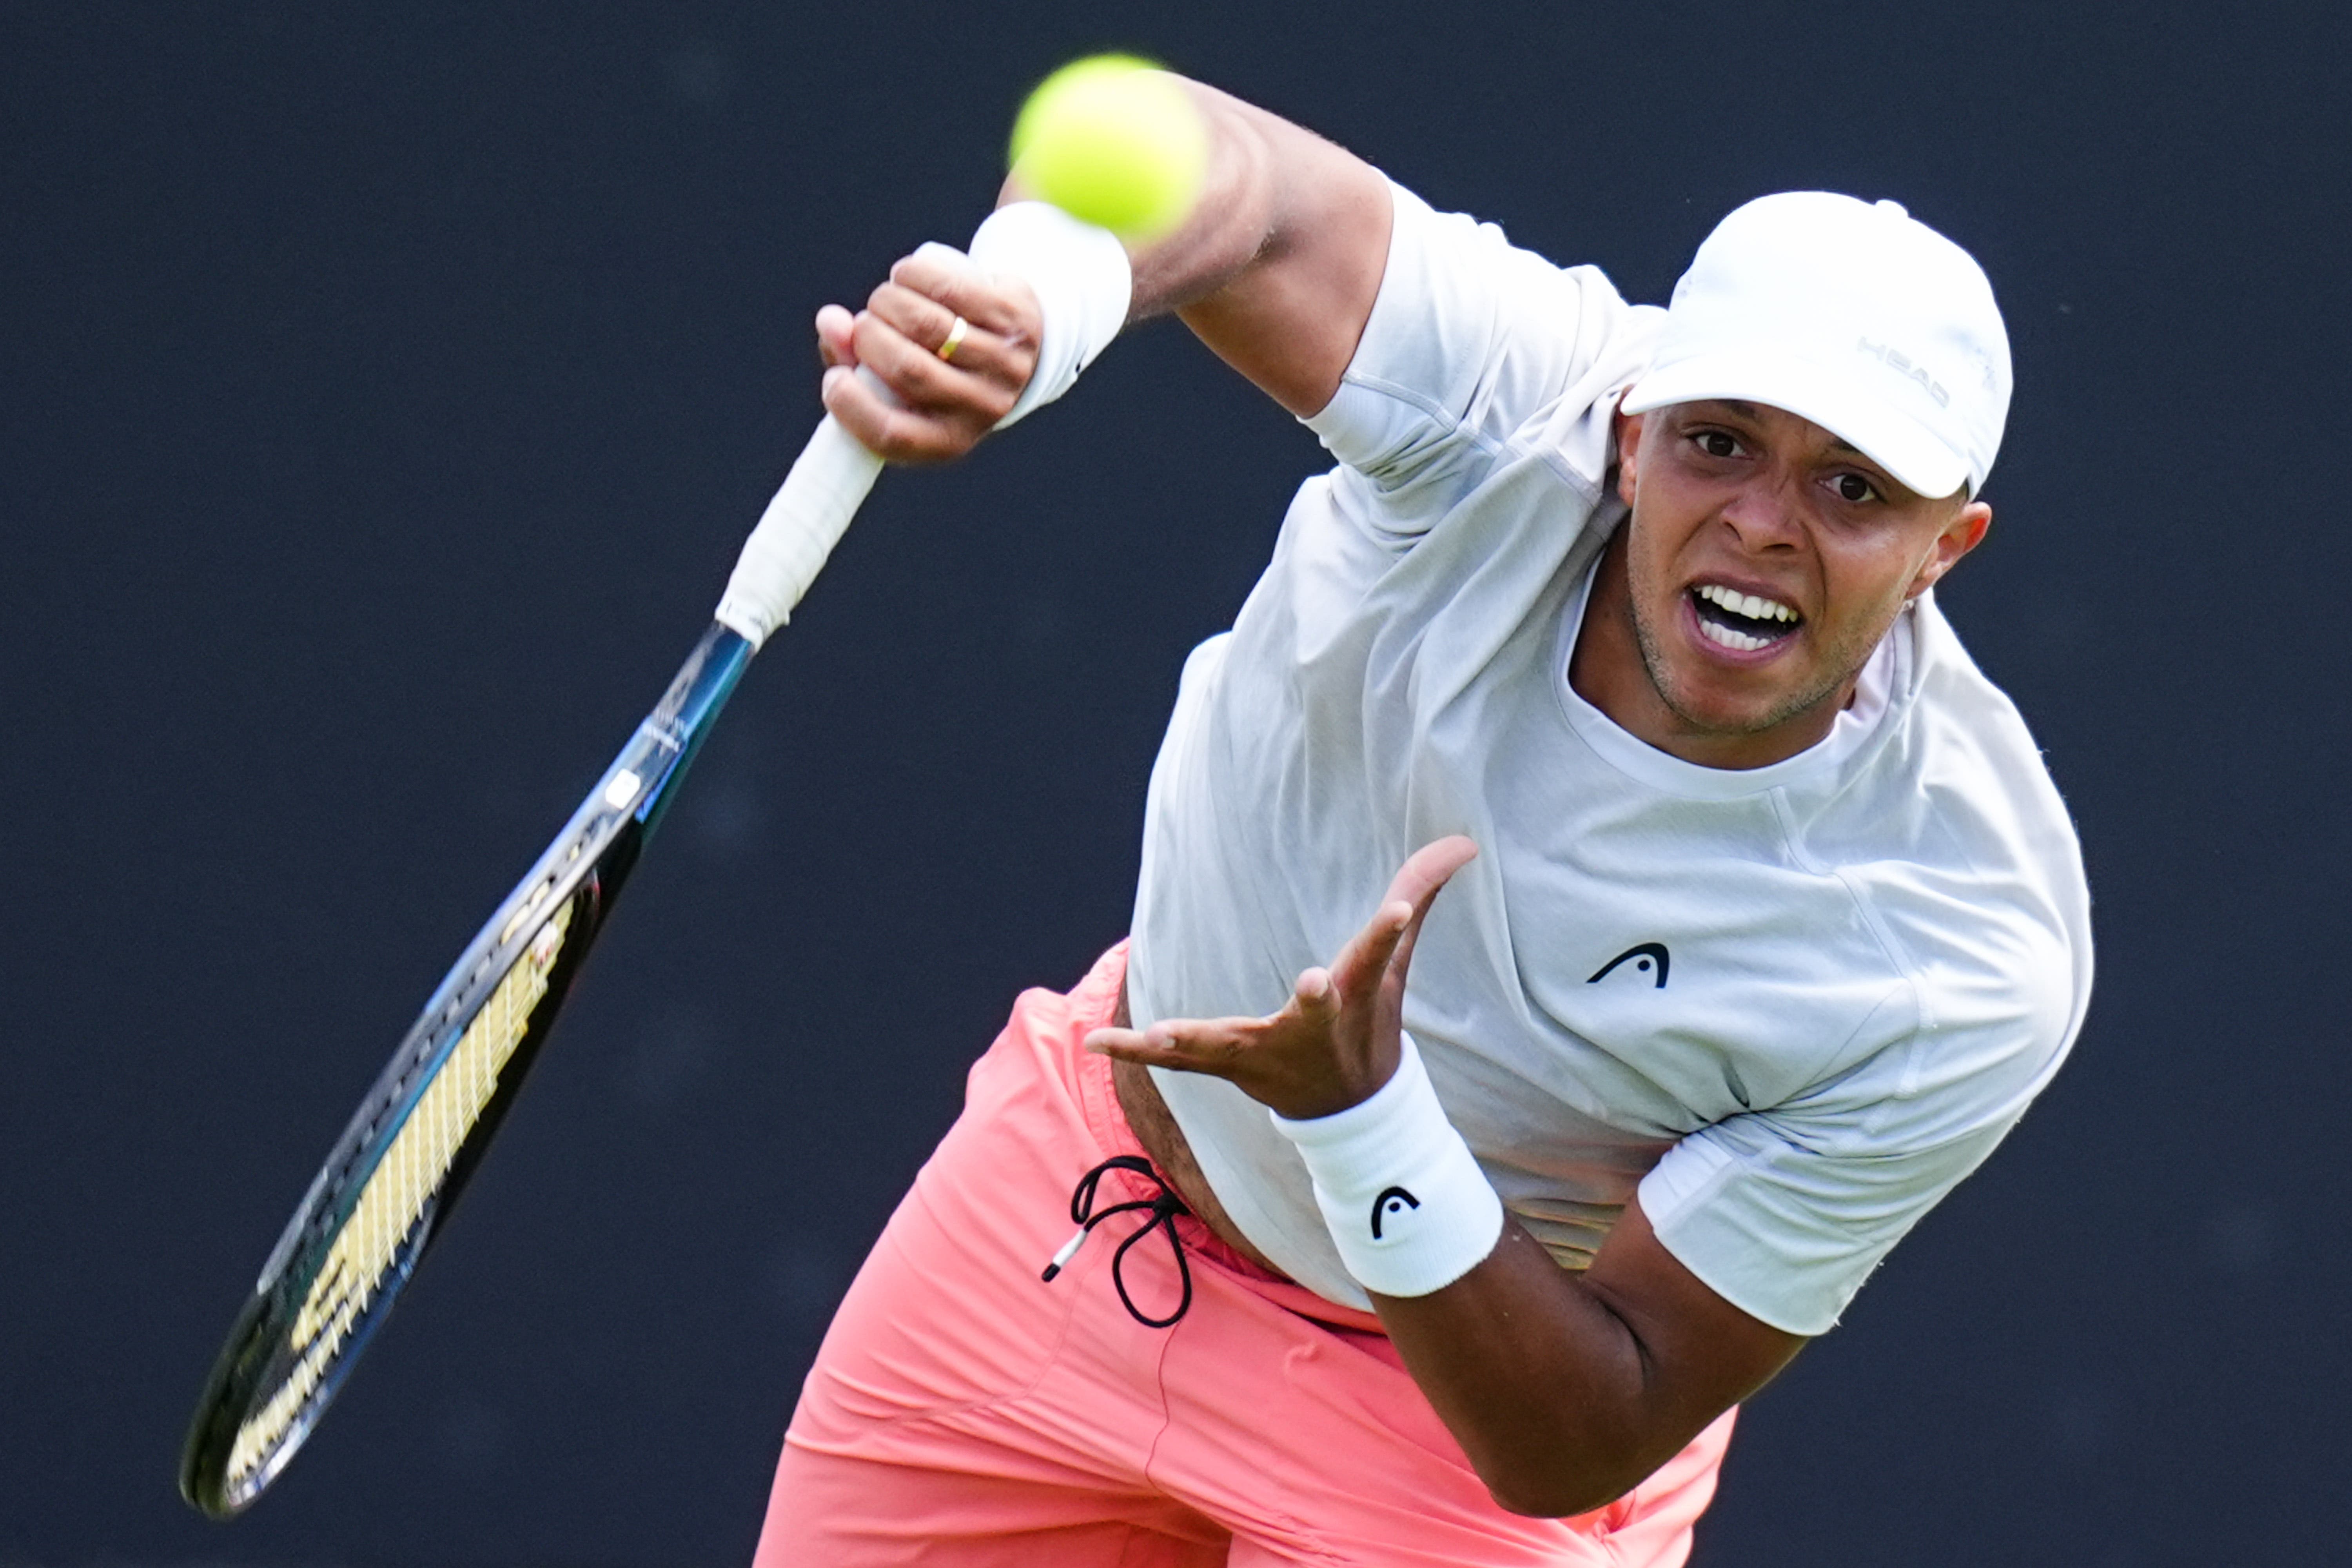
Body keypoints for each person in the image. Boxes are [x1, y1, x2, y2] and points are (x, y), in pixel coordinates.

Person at [750, 73, 2091, 1567]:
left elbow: (1582, 1430)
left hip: (1450, 1438)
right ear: (1631, 433)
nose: (1765, 523)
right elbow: (1220, 170)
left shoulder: (1960, 948)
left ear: (1942, 550)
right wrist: (1044, 309)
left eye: (1851, 486)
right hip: (1066, 1221)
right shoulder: (1522, 397)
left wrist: (1362, 1114)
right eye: (1721, 442)